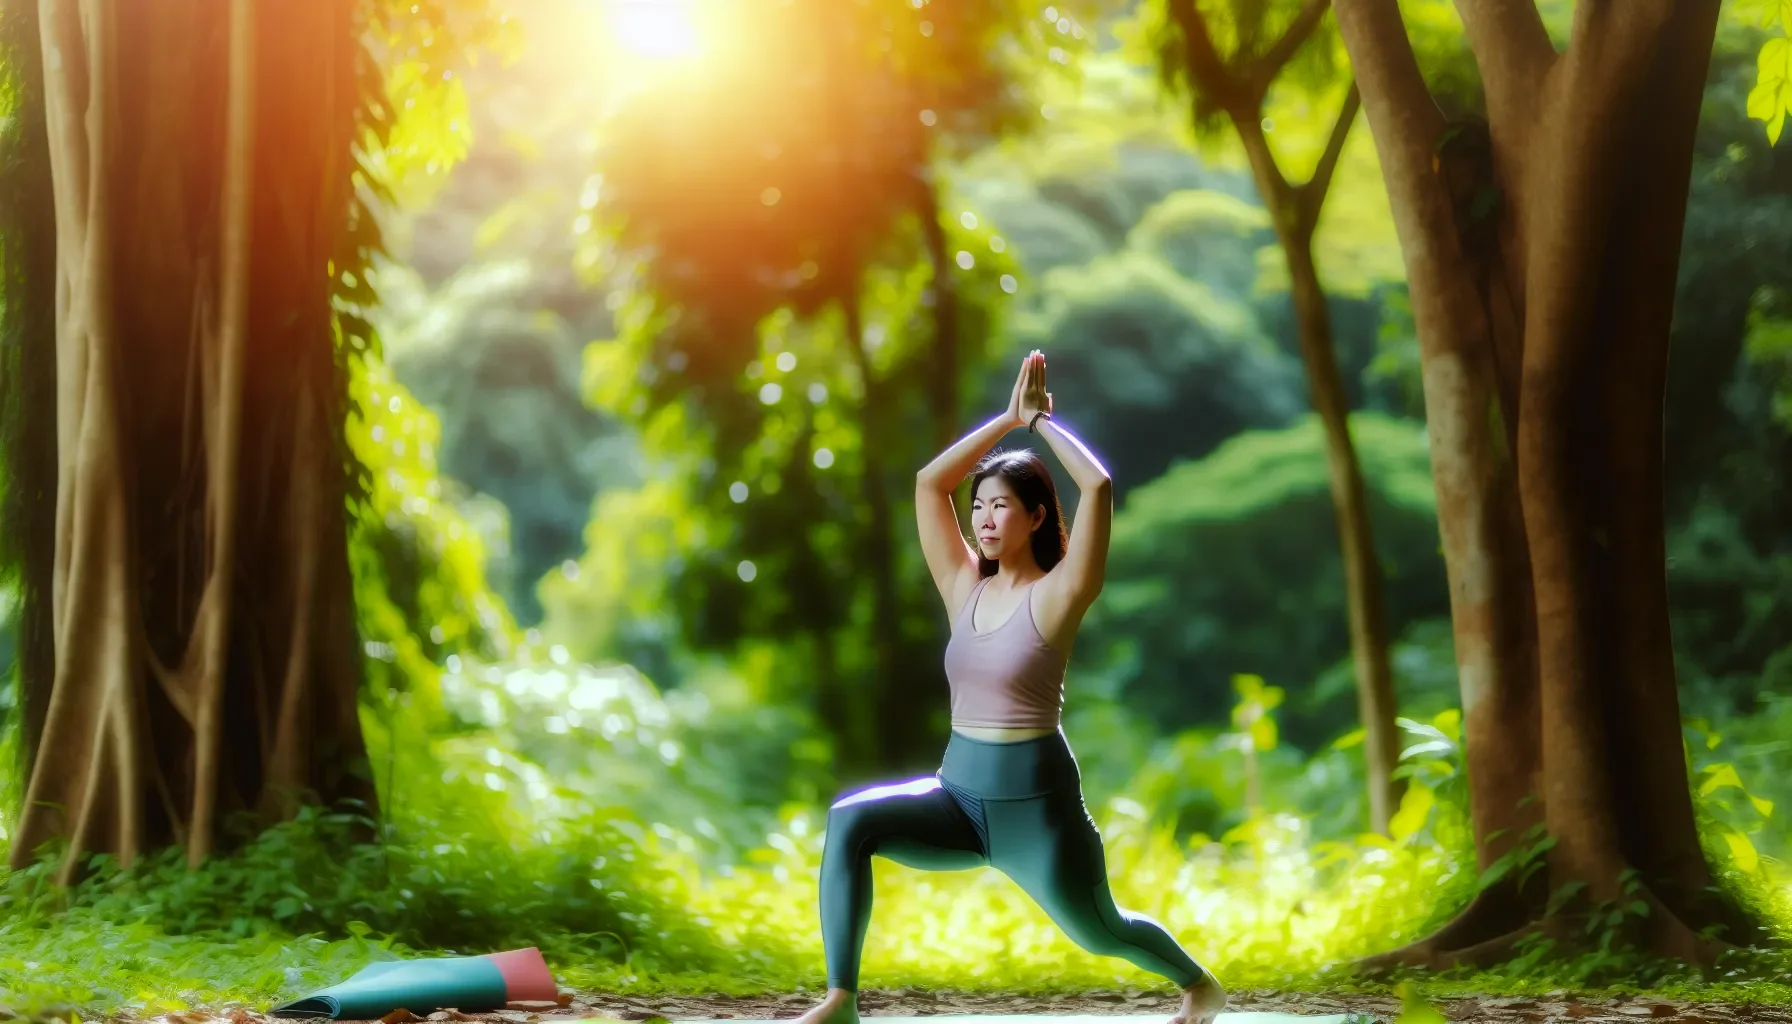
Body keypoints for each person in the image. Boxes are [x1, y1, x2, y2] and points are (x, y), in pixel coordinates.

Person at [791, 350, 1227, 1024]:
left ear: (1035, 516)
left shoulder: (1060, 595)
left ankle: (1199, 984)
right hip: (956, 799)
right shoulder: (962, 585)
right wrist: (1006, 419)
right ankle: (842, 999)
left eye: (1001, 506)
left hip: (1038, 814)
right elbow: (928, 483)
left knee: (1100, 930)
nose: (985, 519)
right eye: (980, 507)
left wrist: (1041, 426)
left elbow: (1100, 488)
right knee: (852, 820)